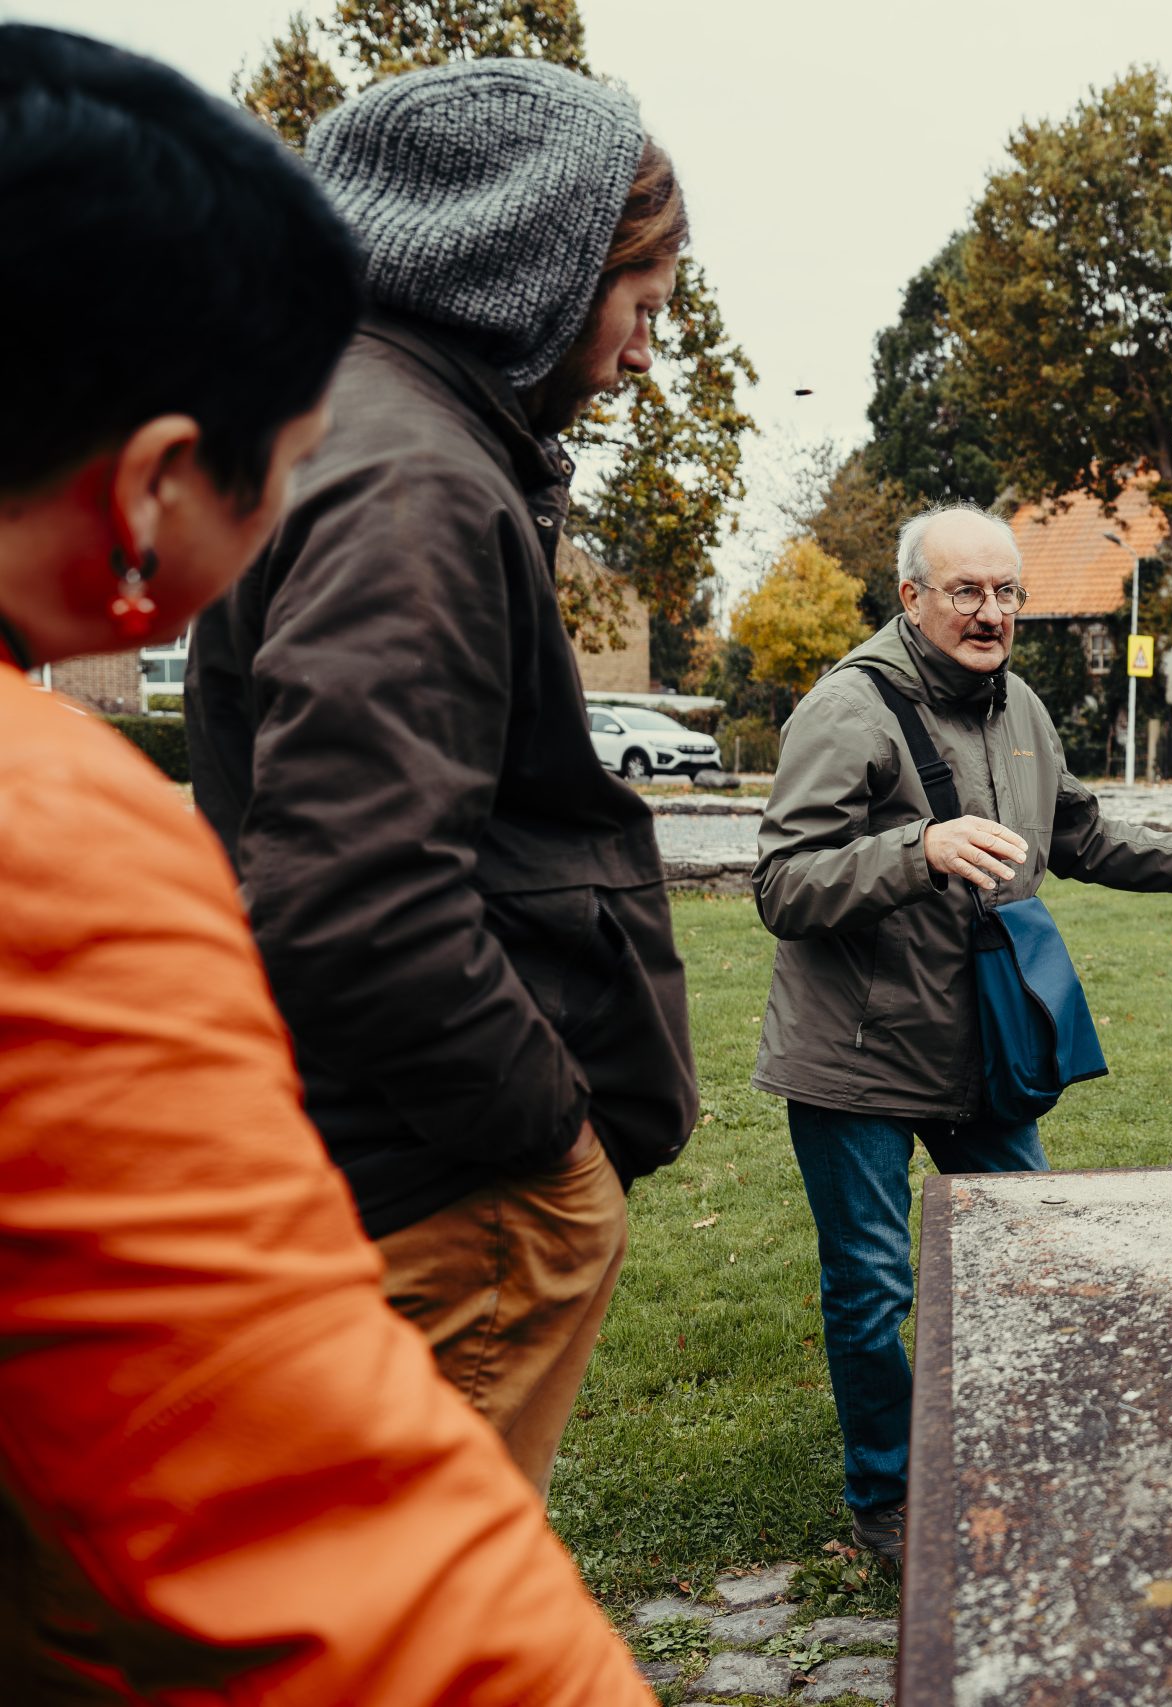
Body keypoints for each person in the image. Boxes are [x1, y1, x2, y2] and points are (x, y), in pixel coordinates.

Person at [0, 27, 649, 1700]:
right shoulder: (56, 838)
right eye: (278, 467)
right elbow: (335, 1550)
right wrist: (549, 1134)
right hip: (448, 1157)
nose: (300, 502)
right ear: (150, 481)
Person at [186, 58, 698, 1496]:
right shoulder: (415, 479)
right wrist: (547, 1140)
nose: (643, 356)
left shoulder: (341, 425)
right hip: (443, 1182)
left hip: (373, 1147)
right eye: (640, 305)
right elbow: (353, 891)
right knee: (407, 1609)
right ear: (531, 266)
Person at [752, 503, 1172, 1562]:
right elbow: (781, 884)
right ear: (910, 598)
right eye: (965, 592)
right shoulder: (846, 711)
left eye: (1006, 595)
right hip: (854, 1056)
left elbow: (1082, 835)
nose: (989, 613)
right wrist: (918, 850)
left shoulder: (1020, 708)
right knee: (871, 1287)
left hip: (982, 1050)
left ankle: (1000, 1450)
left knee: (1024, 1257)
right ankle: (888, 1499)